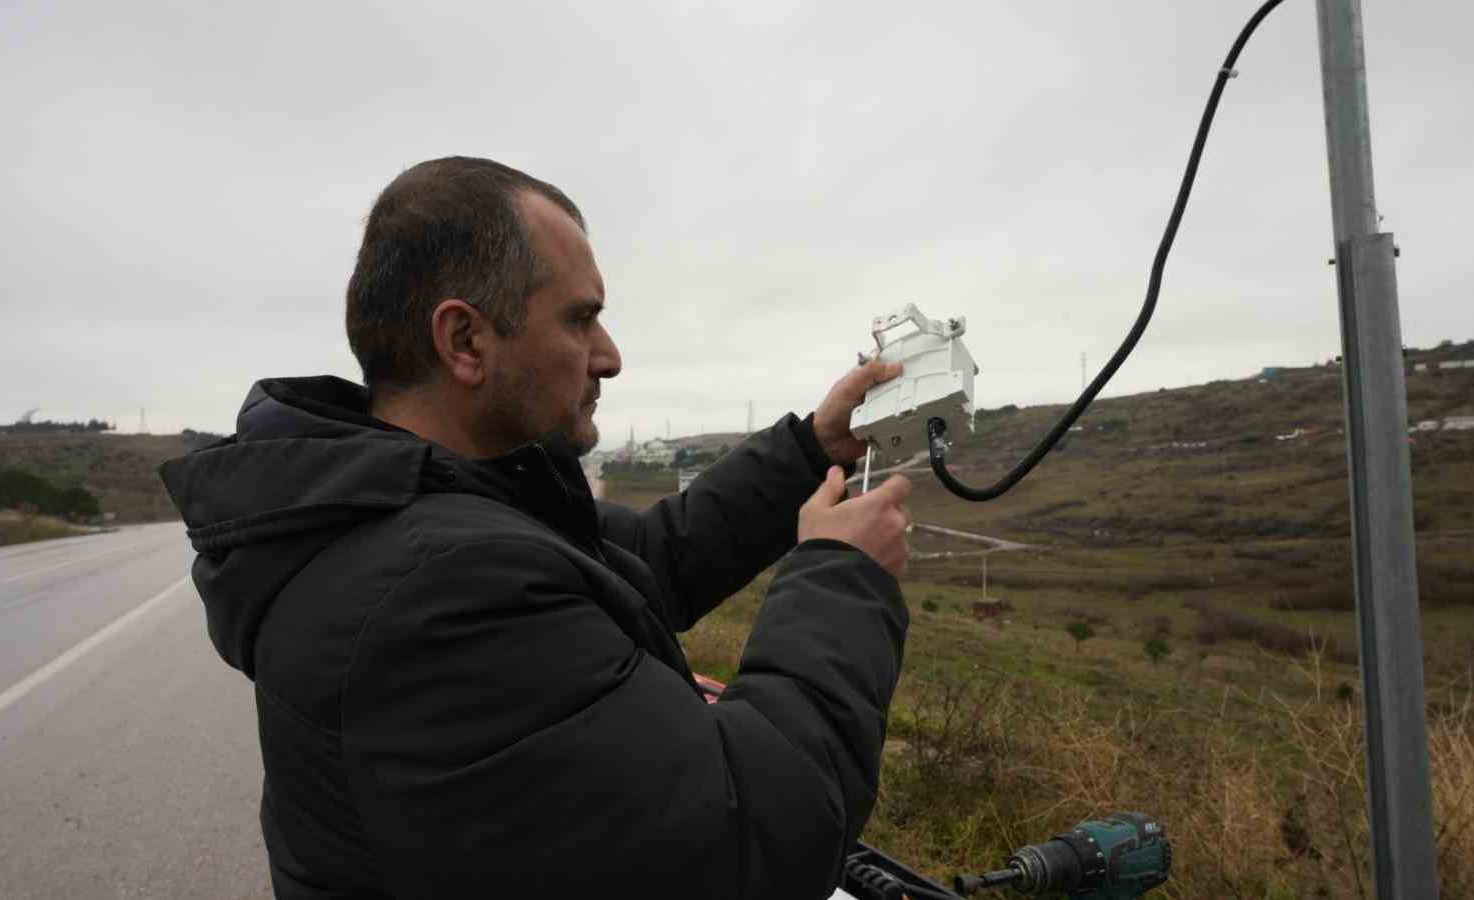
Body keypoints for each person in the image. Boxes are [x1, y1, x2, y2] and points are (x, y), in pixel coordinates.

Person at [160, 156, 915, 899]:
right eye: (580, 318)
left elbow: (650, 561)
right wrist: (841, 574)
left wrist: (812, 448)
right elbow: (755, 833)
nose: (609, 357)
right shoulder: (438, 588)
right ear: (464, 342)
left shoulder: (431, 509)